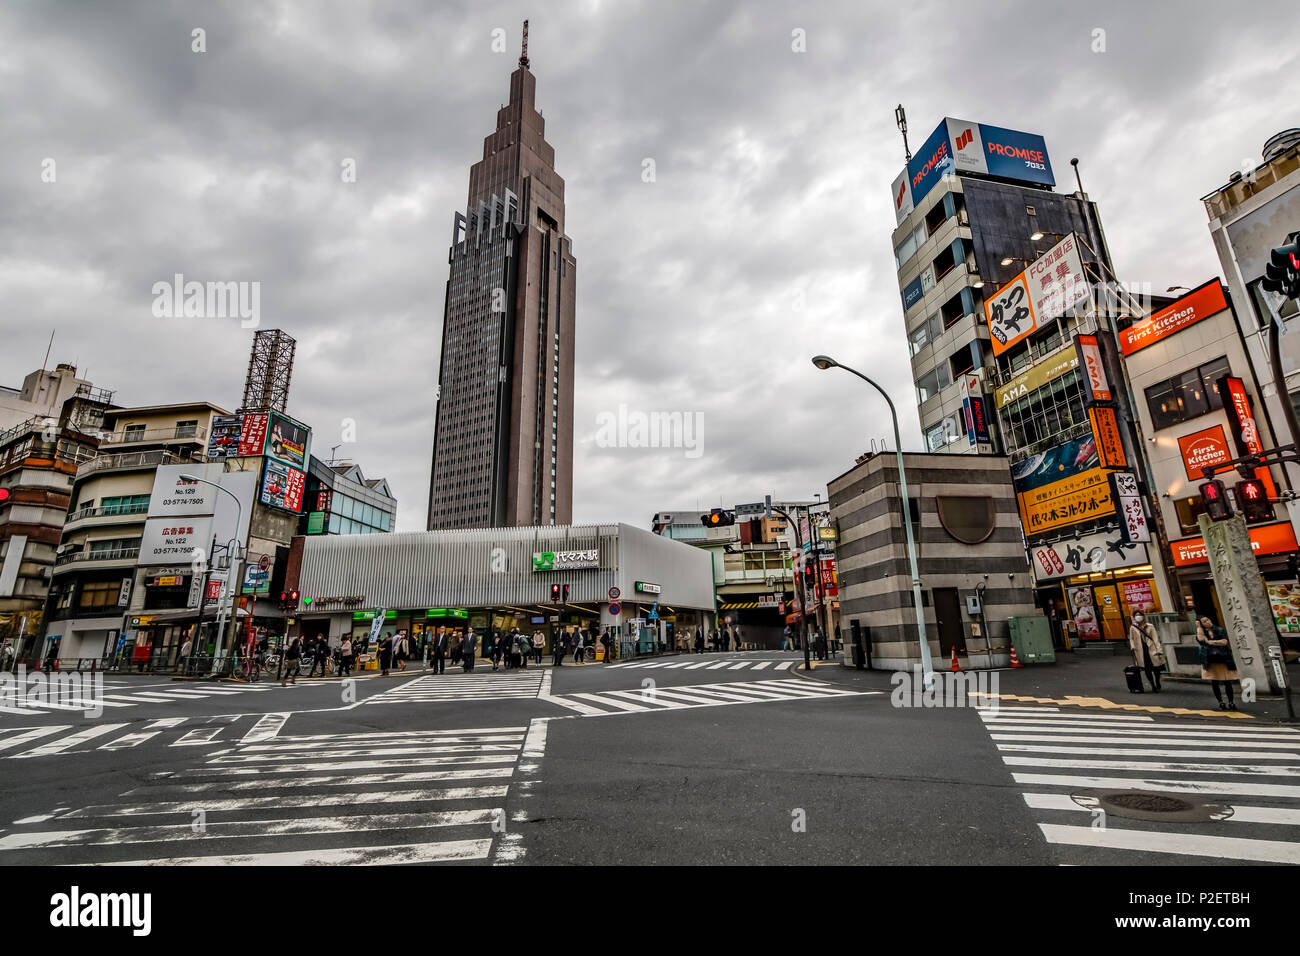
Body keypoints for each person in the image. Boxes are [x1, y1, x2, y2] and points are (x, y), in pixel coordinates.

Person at [1196, 615, 1238, 710]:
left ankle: (1231, 702)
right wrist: (1199, 628)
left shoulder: (1219, 629)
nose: (1208, 622)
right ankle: (1221, 702)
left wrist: (1211, 642)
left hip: (1223, 658)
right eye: (1204, 621)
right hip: (1210, 659)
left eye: (1208, 619)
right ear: (1201, 624)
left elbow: (1224, 642)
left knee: (1227, 681)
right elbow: (1202, 641)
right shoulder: (1201, 632)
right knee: (1214, 682)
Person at [1127, 611, 1164, 692]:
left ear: (1143, 616)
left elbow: (1155, 638)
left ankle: (1157, 681)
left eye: (1139, 615)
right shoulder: (1133, 627)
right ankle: (1153, 685)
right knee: (1147, 669)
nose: (1138, 617)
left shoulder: (1150, 626)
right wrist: (1132, 647)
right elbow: (1131, 639)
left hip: (1151, 648)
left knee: (1156, 668)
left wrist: (1159, 649)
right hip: (1140, 650)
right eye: (1136, 615)